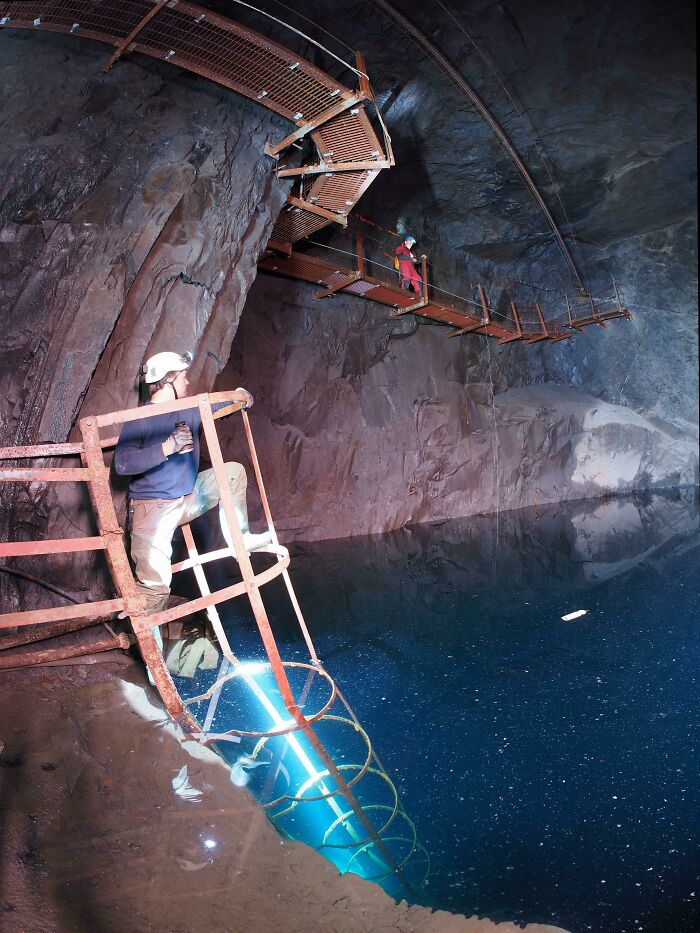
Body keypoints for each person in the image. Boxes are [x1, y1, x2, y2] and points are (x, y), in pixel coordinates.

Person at [114, 350, 271, 660]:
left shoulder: (189, 408)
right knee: (155, 590)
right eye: (182, 376)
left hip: (185, 498)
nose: (188, 381)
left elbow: (217, 403)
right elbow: (122, 463)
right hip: (153, 511)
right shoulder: (141, 417)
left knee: (233, 473)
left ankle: (241, 539)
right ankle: (148, 659)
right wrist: (167, 447)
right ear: (168, 380)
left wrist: (239, 396)